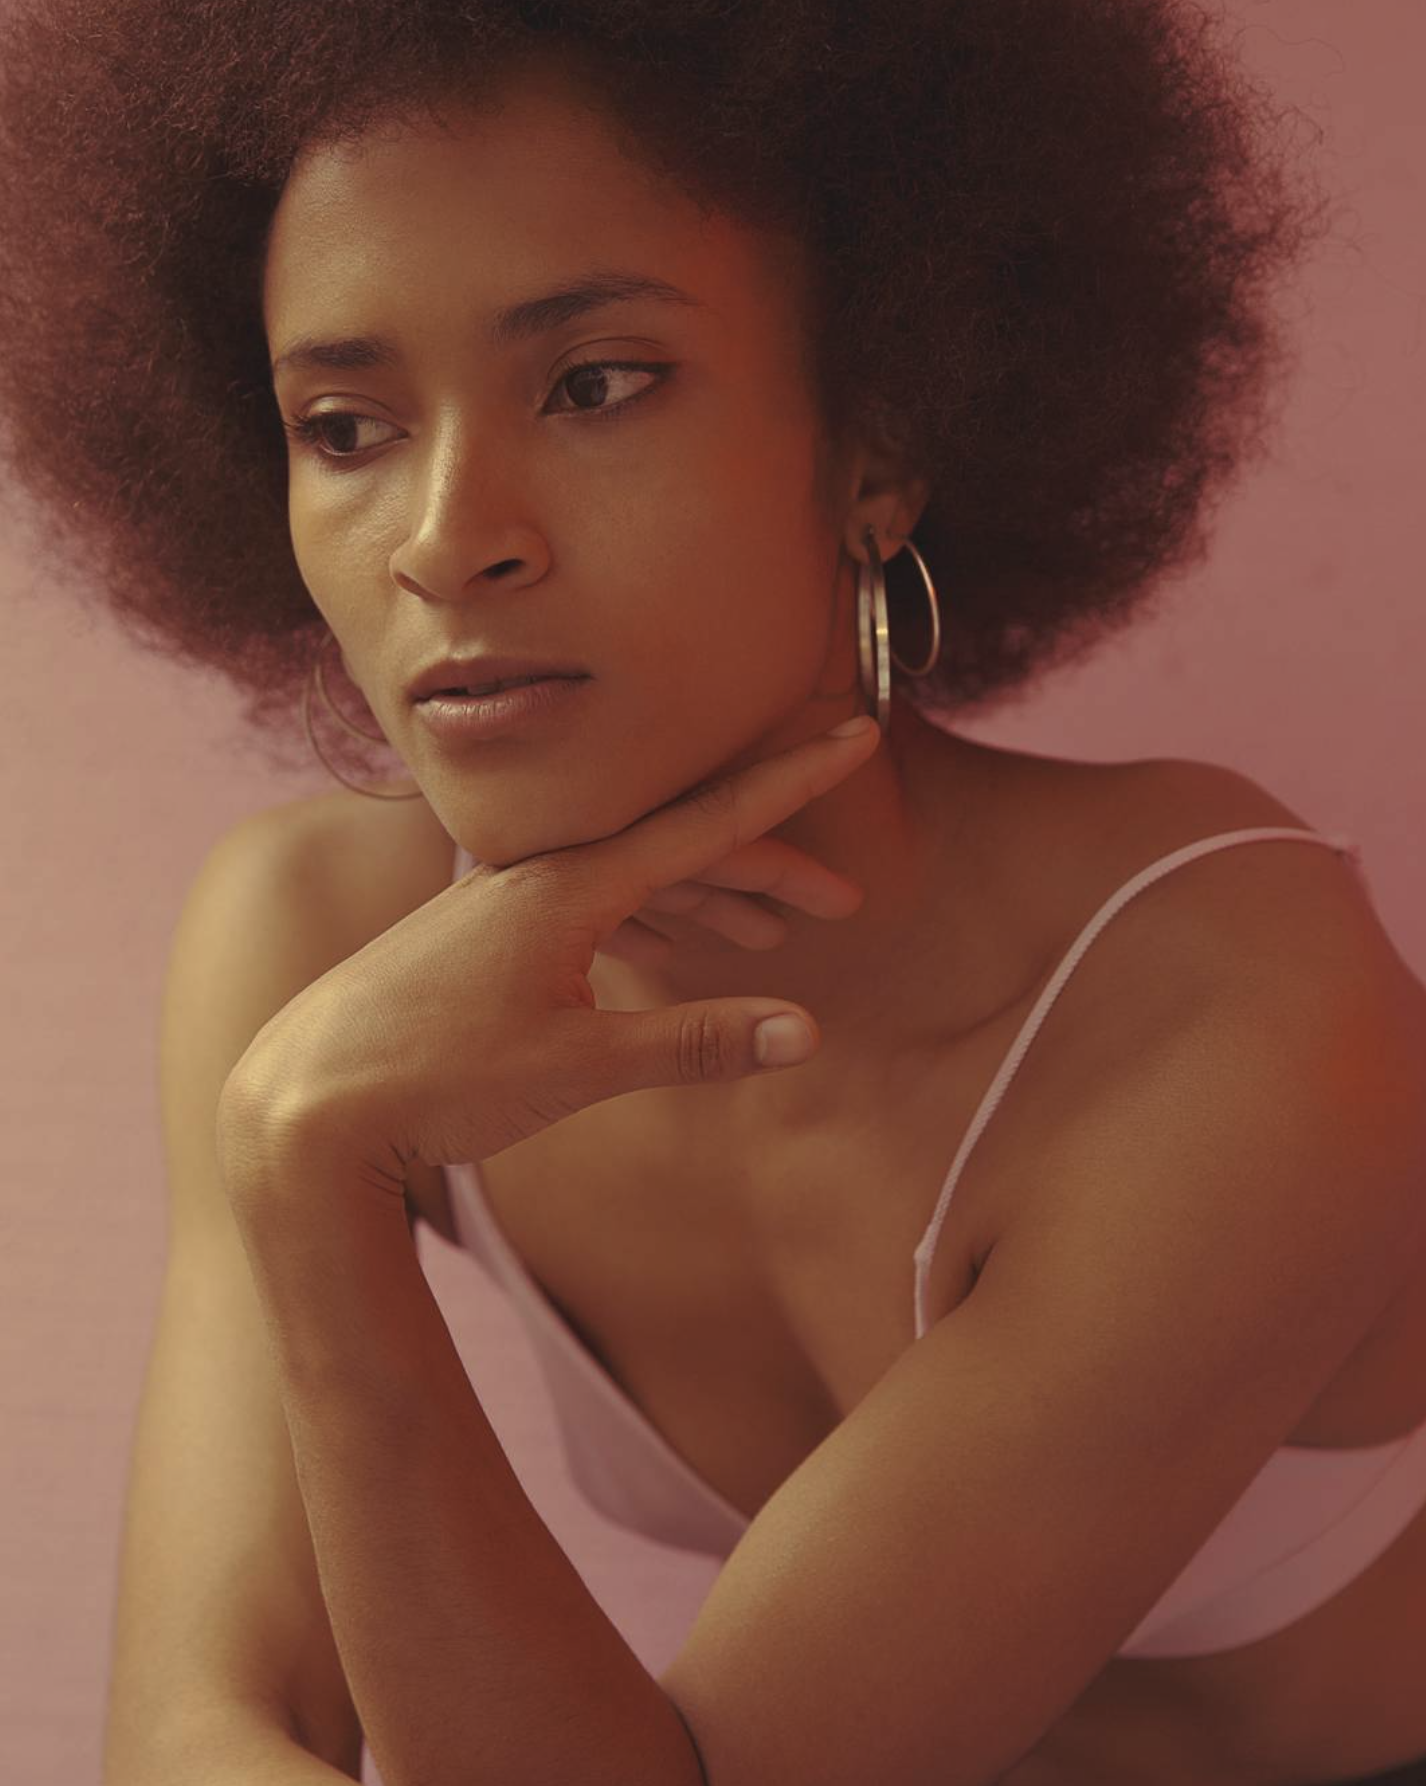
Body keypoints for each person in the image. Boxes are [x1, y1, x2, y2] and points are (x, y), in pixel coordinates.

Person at [2, 4, 1423, 1783]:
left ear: (874, 441)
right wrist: (307, 1164)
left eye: (593, 383)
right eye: (346, 425)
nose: (445, 537)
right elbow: (203, 1730)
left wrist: (312, 1179)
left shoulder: (1236, 1010)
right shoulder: (312, 952)